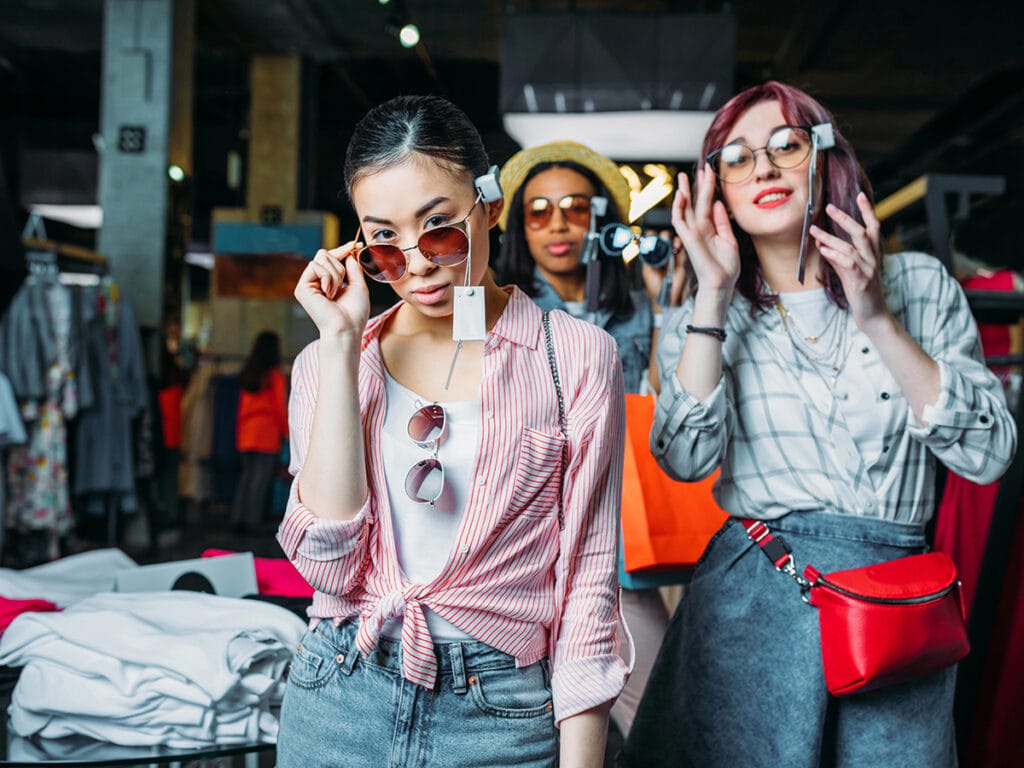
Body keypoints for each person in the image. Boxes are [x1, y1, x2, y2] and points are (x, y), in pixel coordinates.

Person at [618, 81, 1016, 768]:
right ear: (717, 191)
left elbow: (988, 453)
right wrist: (711, 293)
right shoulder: (708, 312)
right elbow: (681, 458)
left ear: (824, 157)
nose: (762, 168)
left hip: (894, 605)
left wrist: (875, 317)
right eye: (735, 158)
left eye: (785, 145)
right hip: (755, 599)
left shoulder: (916, 285)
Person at [275, 96, 627, 768]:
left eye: (439, 229)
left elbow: (587, 580)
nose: (418, 264)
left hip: (499, 711)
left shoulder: (576, 356)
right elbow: (327, 566)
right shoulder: (326, 361)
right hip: (339, 694)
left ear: (490, 204)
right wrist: (343, 341)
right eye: (384, 242)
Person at [492, 141, 681, 738]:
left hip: (613, 542)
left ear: (599, 218)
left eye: (575, 208)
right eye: (539, 210)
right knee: (529, 719)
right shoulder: (502, 307)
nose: (558, 225)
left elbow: (661, 404)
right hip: (520, 539)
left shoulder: (633, 309)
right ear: (520, 225)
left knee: (653, 705)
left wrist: (663, 303)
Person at [231, 330, 288, 533]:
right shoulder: (274, 377)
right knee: (260, 481)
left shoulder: (248, 375)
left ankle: (238, 519)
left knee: (246, 479)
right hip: (266, 437)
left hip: (245, 435)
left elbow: (240, 410)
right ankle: (253, 523)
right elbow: (281, 409)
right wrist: (288, 434)